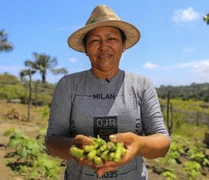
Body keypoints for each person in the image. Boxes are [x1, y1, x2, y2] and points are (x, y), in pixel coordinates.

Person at [45, 4, 171, 180]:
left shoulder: (141, 85)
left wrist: (139, 143)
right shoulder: (68, 85)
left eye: (111, 38)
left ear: (123, 45)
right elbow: (52, 141)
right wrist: (74, 146)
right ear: (86, 49)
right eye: (95, 40)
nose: (103, 47)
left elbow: (163, 142)